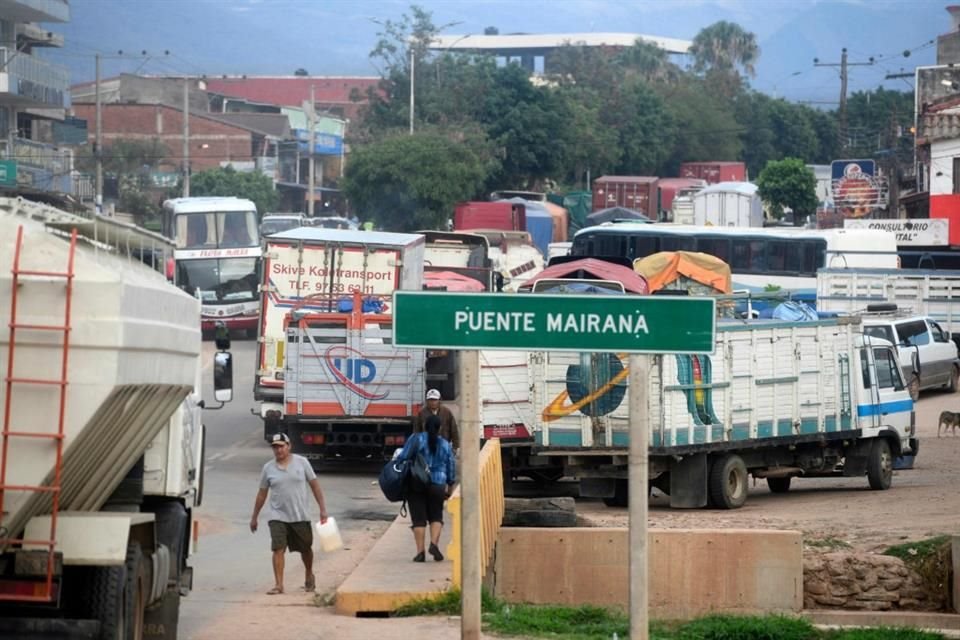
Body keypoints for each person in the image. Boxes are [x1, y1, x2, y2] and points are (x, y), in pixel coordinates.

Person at [250, 432, 329, 595]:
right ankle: (279, 584)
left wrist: (322, 509)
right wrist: (254, 517)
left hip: (300, 515)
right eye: (275, 447)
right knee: (278, 548)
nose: (278, 450)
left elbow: (315, 486)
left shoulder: (302, 463)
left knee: (306, 548)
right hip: (277, 515)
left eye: (281, 446)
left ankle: (308, 573)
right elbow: (262, 493)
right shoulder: (268, 468)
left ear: (289, 446)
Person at [397, 414, 456, 562]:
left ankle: (420, 553)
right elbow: (451, 466)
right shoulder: (445, 444)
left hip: (416, 483)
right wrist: (450, 486)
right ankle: (434, 544)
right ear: (440, 428)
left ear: (424, 426)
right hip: (438, 484)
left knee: (418, 519)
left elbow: (403, 457)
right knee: (436, 516)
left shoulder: (415, 439)